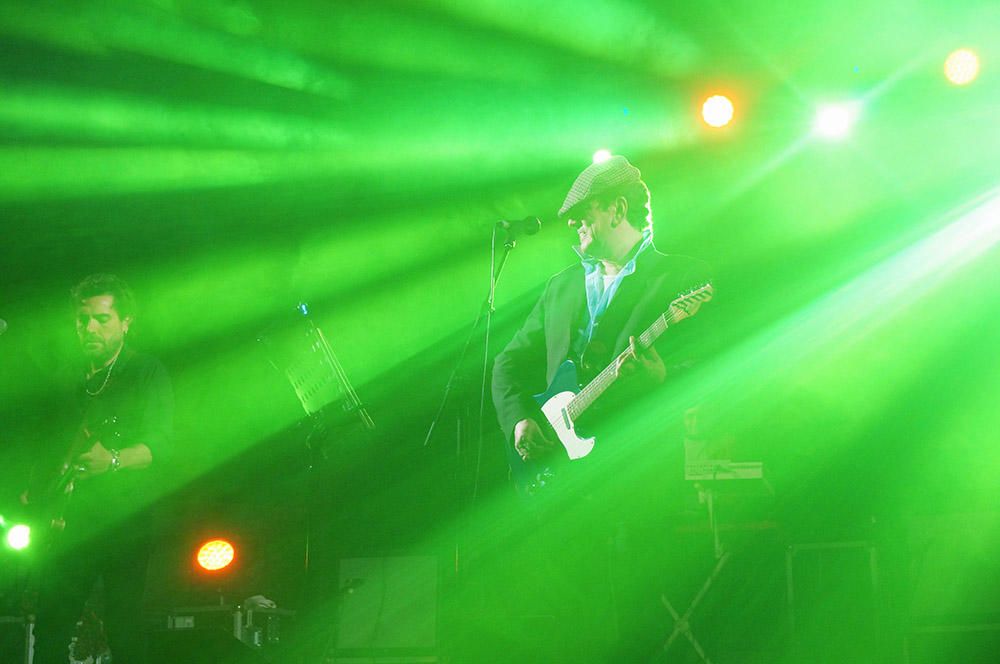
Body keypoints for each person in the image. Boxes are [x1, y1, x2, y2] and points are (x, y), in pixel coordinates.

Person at [490, 155, 712, 661]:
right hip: (558, 481)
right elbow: (506, 364)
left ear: (616, 208)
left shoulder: (680, 278)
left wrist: (662, 377)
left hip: (635, 479)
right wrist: (520, 420)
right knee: (563, 625)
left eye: (583, 210)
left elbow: (711, 369)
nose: (573, 222)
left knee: (636, 624)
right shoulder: (561, 286)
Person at [29, 273, 173, 664]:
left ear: (125, 322)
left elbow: (161, 446)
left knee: (124, 622)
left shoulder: (145, 372)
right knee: (51, 624)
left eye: (102, 319)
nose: (90, 328)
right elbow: (46, 447)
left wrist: (110, 461)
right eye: (82, 320)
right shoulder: (67, 379)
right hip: (71, 519)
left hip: (127, 516)